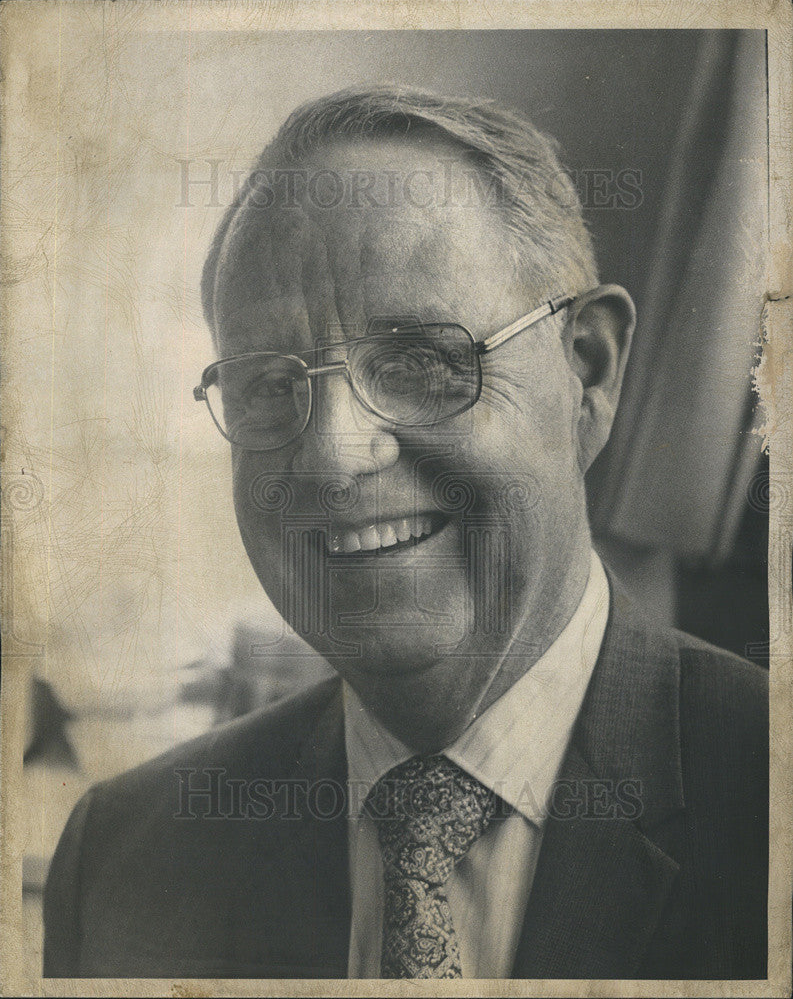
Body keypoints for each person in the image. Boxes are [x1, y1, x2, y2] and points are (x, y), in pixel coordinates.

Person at [43, 86, 768, 980]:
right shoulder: (124, 859)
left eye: (419, 360)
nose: (332, 457)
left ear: (587, 370)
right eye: (269, 384)